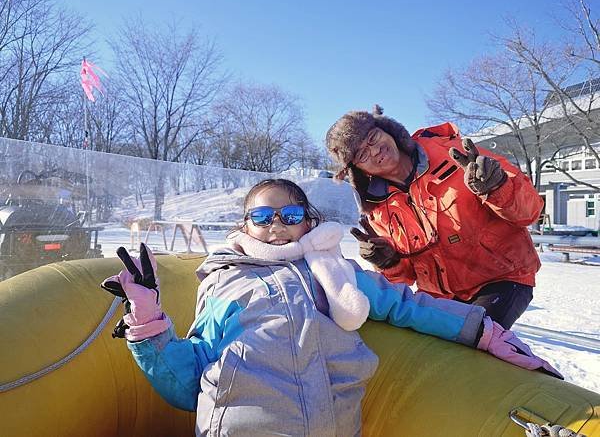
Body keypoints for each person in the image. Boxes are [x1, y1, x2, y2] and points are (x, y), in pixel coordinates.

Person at [100, 179, 559, 437]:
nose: (276, 225)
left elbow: (406, 304)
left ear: (309, 222)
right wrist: (147, 324)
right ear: (245, 225)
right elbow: (188, 382)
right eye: (262, 217)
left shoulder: (336, 275)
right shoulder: (225, 281)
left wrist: (484, 331)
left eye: (290, 216)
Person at [325, 106, 543, 329]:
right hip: (437, 296)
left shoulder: (457, 155)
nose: (374, 151)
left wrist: (497, 187)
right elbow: (405, 278)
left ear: (387, 130)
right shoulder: (378, 208)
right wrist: (389, 261)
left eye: (372, 137)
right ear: (358, 169)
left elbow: (531, 211)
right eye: (361, 154)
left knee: (473, 339)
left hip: (502, 279)